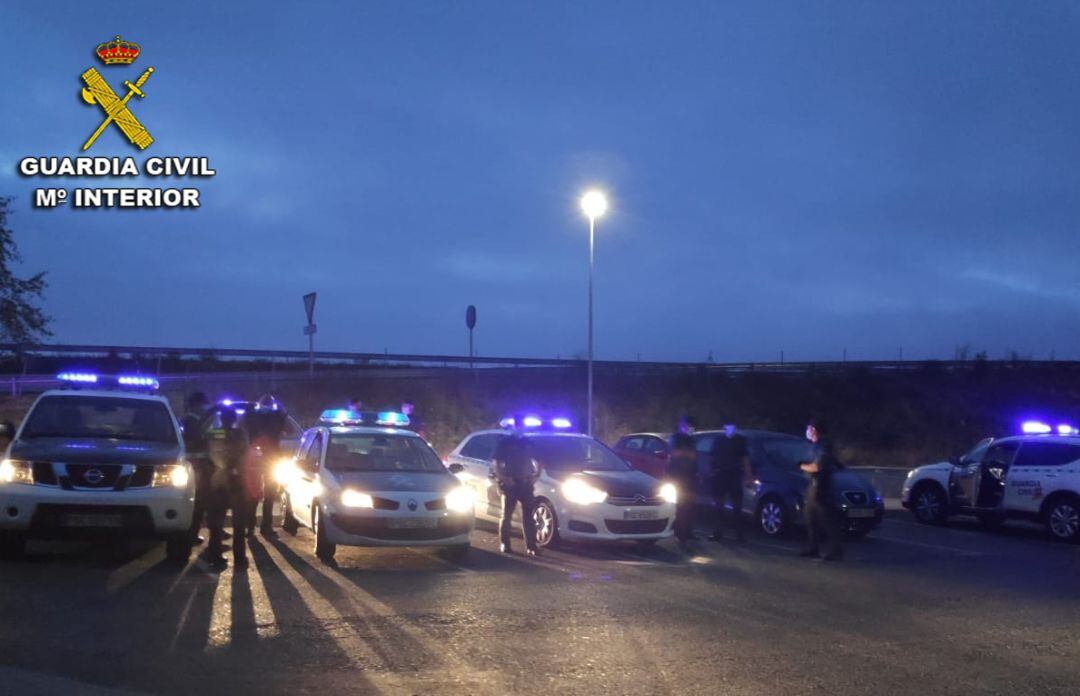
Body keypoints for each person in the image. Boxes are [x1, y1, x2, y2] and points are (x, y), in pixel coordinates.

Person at [205, 407, 251, 571]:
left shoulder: (213, 433)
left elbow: (209, 453)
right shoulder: (240, 434)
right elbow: (245, 454)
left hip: (217, 480)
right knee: (239, 523)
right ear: (233, 419)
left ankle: (214, 555)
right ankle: (239, 558)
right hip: (236, 481)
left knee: (216, 522)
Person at [492, 417, 540, 555]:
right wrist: (503, 478)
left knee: (528, 516)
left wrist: (535, 476)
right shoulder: (505, 442)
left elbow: (539, 460)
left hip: (525, 483)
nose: (520, 429)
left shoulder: (528, 442)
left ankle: (532, 546)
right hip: (510, 483)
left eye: (521, 426)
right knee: (506, 515)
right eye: (517, 426)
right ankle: (505, 544)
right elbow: (496, 463)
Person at [799, 417, 843, 561]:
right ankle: (813, 548)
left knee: (827, 519)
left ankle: (836, 550)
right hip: (815, 486)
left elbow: (818, 466)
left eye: (808, 429)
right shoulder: (820, 445)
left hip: (820, 486)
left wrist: (802, 466)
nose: (807, 431)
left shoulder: (821, 445)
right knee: (810, 518)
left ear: (814, 430)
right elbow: (837, 463)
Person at [247, 394, 288, 537]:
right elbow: (287, 425)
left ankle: (250, 527)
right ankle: (266, 526)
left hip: (255, 460)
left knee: (253, 493)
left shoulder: (252, 416)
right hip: (271, 459)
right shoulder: (277, 416)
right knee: (269, 494)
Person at [709, 424, 752, 542]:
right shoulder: (718, 440)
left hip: (735, 475)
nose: (731, 429)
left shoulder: (740, 440)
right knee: (719, 506)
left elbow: (745, 458)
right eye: (728, 427)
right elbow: (712, 457)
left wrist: (748, 475)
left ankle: (740, 534)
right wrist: (713, 471)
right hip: (720, 475)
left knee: (737, 507)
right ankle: (717, 533)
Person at [181, 392, 213, 545]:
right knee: (198, 503)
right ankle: (192, 534)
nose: (205, 407)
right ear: (197, 404)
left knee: (201, 503)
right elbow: (202, 439)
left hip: (198, 466)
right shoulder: (191, 421)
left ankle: (194, 532)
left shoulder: (193, 420)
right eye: (203, 404)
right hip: (197, 467)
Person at [666, 431, 698, 551]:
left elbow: (693, 457)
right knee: (680, 507)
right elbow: (674, 455)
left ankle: (689, 532)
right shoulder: (675, 438)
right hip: (678, 479)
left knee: (690, 506)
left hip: (690, 478)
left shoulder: (691, 440)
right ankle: (679, 533)